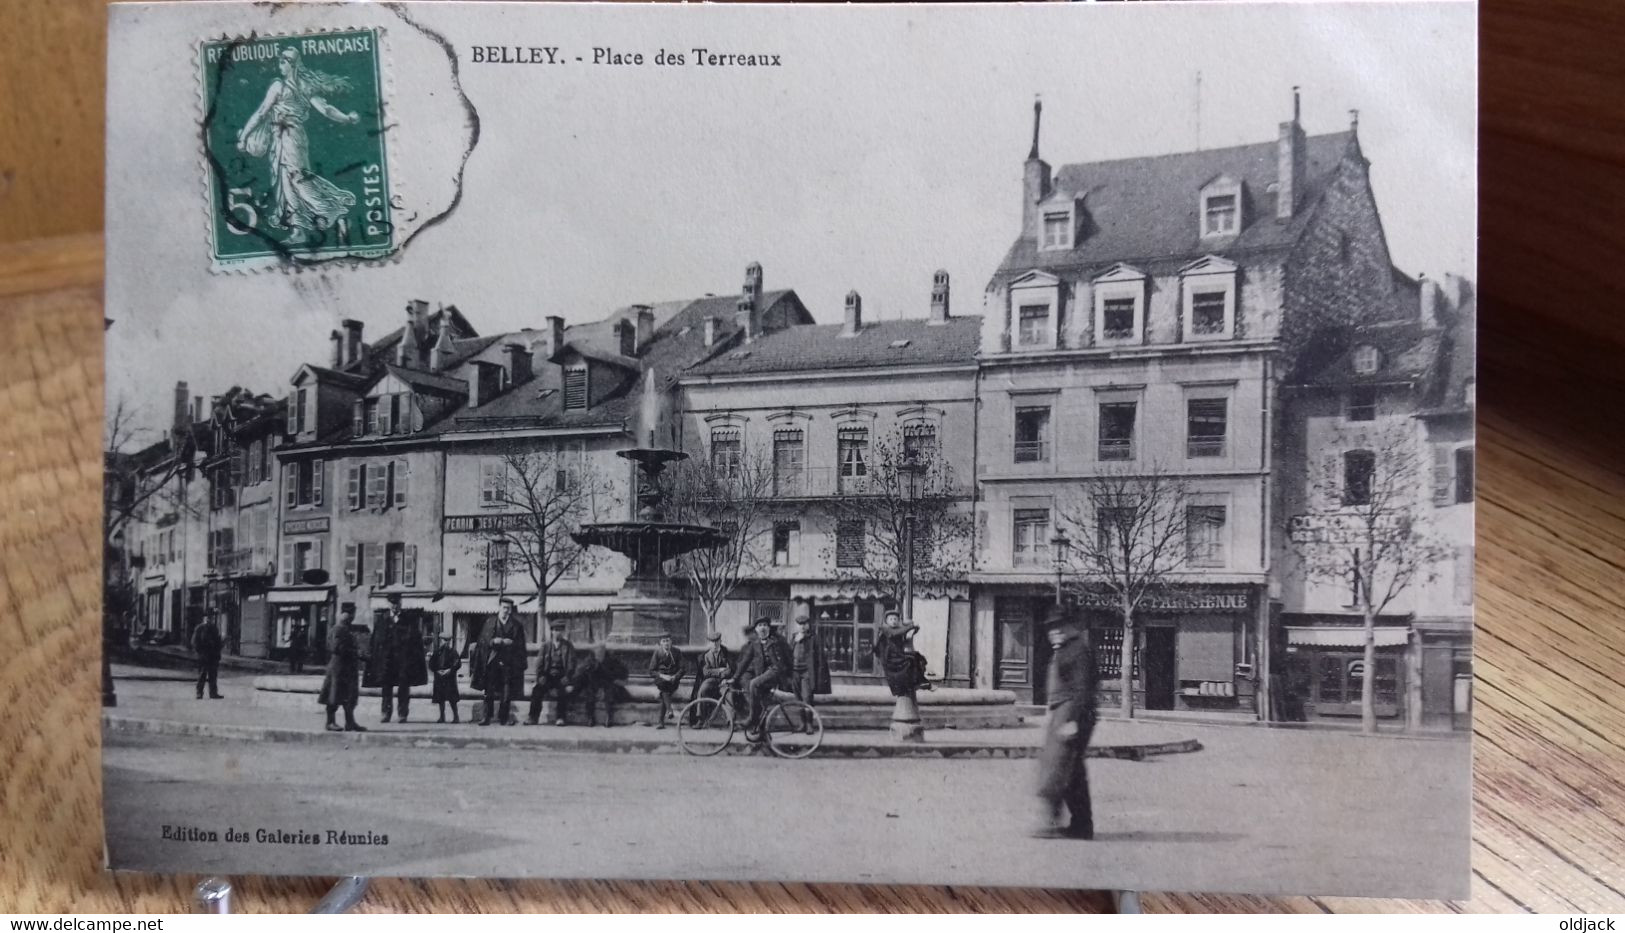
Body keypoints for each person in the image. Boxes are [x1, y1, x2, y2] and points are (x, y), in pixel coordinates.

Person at [234, 47, 362, 245]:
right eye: (280, 61)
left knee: (297, 177)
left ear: (292, 64)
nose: (280, 65)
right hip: (280, 137)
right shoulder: (289, 85)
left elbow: (326, 110)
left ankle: (330, 209)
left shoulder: (292, 86)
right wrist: (246, 135)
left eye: (284, 61)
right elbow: (262, 113)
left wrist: (346, 118)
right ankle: (298, 230)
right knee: (285, 182)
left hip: (292, 137)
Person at [1034, 608, 1098, 840]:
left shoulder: (1078, 650)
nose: (1054, 631)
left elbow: (1082, 688)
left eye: (1058, 626)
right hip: (1066, 713)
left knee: (1063, 767)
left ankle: (1070, 823)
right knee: (1071, 770)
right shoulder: (1066, 649)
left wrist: (1072, 720)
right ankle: (1080, 824)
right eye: (1051, 627)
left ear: (1069, 626)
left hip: (1075, 714)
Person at [365, 596, 427, 724]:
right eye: (392, 604)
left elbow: (416, 641)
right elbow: (375, 640)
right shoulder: (382, 619)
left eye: (397, 603)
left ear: (401, 603)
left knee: (403, 688)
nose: (395, 606)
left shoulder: (408, 619)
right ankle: (385, 713)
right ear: (389, 604)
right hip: (387, 661)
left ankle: (402, 714)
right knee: (386, 687)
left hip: (403, 661)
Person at [729, 617, 792, 735]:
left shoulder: (776, 641)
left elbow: (782, 663)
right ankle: (761, 729)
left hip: (776, 672)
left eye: (765, 625)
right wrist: (734, 678)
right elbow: (745, 662)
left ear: (768, 628)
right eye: (760, 626)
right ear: (756, 630)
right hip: (765, 675)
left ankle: (752, 718)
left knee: (753, 683)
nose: (762, 628)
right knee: (757, 693)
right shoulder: (755, 644)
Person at [472, 598, 527, 726]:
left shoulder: (516, 625)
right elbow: (482, 641)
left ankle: (504, 718)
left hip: (508, 662)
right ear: (499, 607)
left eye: (509, 608)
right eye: (504, 607)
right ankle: (486, 717)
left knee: (506, 690)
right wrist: (493, 641)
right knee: (488, 690)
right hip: (491, 661)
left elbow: (521, 645)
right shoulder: (490, 622)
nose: (506, 611)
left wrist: (511, 644)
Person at [319, 605, 366, 732]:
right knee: (333, 695)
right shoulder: (338, 629)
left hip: (347, 668)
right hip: (338, 667)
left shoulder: (346, 629)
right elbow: (336, 648)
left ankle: (350, 723)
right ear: (343, 614)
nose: (351, 617)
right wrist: (355, 653)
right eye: (349, 614)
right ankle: (330, 722)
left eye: (352, 614)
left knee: (349, 697)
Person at [526, 620, 576, 725]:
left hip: (562, 675)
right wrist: (540, 676)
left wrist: (568, 677)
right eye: (555, 630)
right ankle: (533, 717)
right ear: (552, 632)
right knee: (537, 690)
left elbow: (572, 663)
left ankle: (560, 718)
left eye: (560, 630)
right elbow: (539, 663)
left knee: (562, 691)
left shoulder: (568, 646)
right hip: (548, 675)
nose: (558, 633)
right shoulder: (546, 646)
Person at [873, 610, 932, 698]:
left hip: (897, 655)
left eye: (895, 619)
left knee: (917, 657)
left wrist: (915, 629)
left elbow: (904, 636)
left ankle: (920, 682)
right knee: (909, 661)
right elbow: (895, 634)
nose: (893, 621)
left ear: (898, 621)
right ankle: (910, 684)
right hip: (890, 658)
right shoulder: (885, 629)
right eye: (891, 619)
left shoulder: (898, 630)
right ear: (886, 621)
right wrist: (910, 626)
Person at [790, 611, 832, 733]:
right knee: (798, 699)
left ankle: (809, 724)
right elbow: (787, 653)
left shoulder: (813, 638)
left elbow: (820, 658)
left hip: (807, 672)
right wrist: (795, 641)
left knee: (807, 698)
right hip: (794, 672)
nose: (802, 626)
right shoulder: (793, 638)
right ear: (796, 626)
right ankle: (802, 723)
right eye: (800, 624)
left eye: (804, 624)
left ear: (808, 625)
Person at [687, 631, 734, 724]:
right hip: (710, 680)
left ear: (720, 641)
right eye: (712, 642)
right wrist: (720, 670)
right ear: (709, 643)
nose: (715, 644)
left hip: (724, 681)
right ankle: (700, 719)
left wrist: (721, 674)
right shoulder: (706, 655)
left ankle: (730, 721)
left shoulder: (726, 653)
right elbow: (706, 672)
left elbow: (729, 669)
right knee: (702, 690)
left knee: (729, 694)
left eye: (717, 641)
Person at [574, 643, 625, 727]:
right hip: (594, 682)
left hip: (607, 682)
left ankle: (609, 717)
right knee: (589, 692)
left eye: (601, 653)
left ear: (605, 653)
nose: (600, 655)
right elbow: (580, 672)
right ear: (594, 653)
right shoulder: (590, 660)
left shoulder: (611, 659)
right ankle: (590, 717)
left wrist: (613, 676)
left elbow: (622, 671)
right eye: (598, 653)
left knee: (609, 693)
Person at [648, 633, 685, 729]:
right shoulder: (657, 653)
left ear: (671, 641)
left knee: (664, 693)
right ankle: (669, 711)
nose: (666, 643)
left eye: (668, 640)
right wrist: (662, 676)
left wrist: (675, 677)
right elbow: (651, 670)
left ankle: (662, 721)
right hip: (661, 680)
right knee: (664, 688)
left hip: (673, 680)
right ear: (660, 643)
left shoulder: (677, 652)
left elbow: (683, 669)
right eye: (664, 641)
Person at [429, 634, 462, 724]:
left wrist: (450, 670)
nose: (446, 642)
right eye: (444, 640)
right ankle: (442, 717)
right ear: (441, 641)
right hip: (439, 678)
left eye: (448, 640)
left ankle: (456, 717)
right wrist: (437, 670)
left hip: (449, 679)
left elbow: (457, 663)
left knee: (452, 699)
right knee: (440, 698)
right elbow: (431, 664)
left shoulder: (453, 652)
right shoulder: (437, 652)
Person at [191, 615, 225, 699]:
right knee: (202, 675)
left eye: (211, 618)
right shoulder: (199, 628)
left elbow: (218, 642)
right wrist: (200, 653)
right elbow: (194, 642)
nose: (209, 620)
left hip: (213, 656)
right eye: (207, 618)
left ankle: (213, 693)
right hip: (204, 656)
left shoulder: (214, 629)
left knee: (213, 675)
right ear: (204, 619)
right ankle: (199, 693)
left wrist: (220, 646)